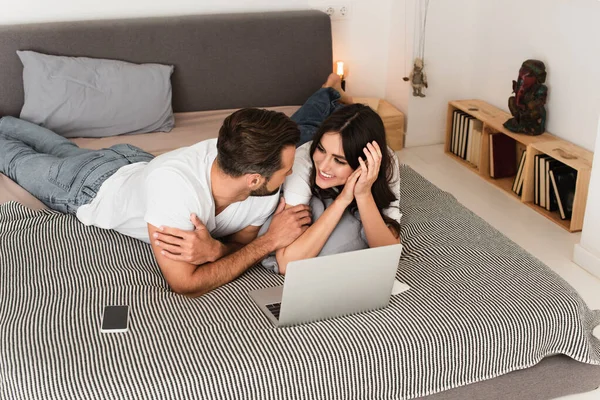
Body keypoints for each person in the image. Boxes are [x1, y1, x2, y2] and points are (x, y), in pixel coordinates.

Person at [0, 108, 312, 297]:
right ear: (254, 178)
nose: (289, 174)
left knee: (58, 146)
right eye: (285, 170)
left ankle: (7, 121)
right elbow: (185, 284)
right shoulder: (175, 187)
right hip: (89, 185)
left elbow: (237, 244)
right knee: (15, 159)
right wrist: (269, 241)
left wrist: (217, 250)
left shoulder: (261, 188)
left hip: (136, 161)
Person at [154, 74, 401, 274]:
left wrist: (363, 194)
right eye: (323, 151)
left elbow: (388, 253)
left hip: (313, 143)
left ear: (363, 163)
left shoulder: (385, 164)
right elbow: (287, 262)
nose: (324, 166)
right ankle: (329, 88)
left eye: (338, 160)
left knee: (308, 122)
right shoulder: (303, 162)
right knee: (305, 123)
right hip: (303, 142)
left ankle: (329, 91)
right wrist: (343, 199)